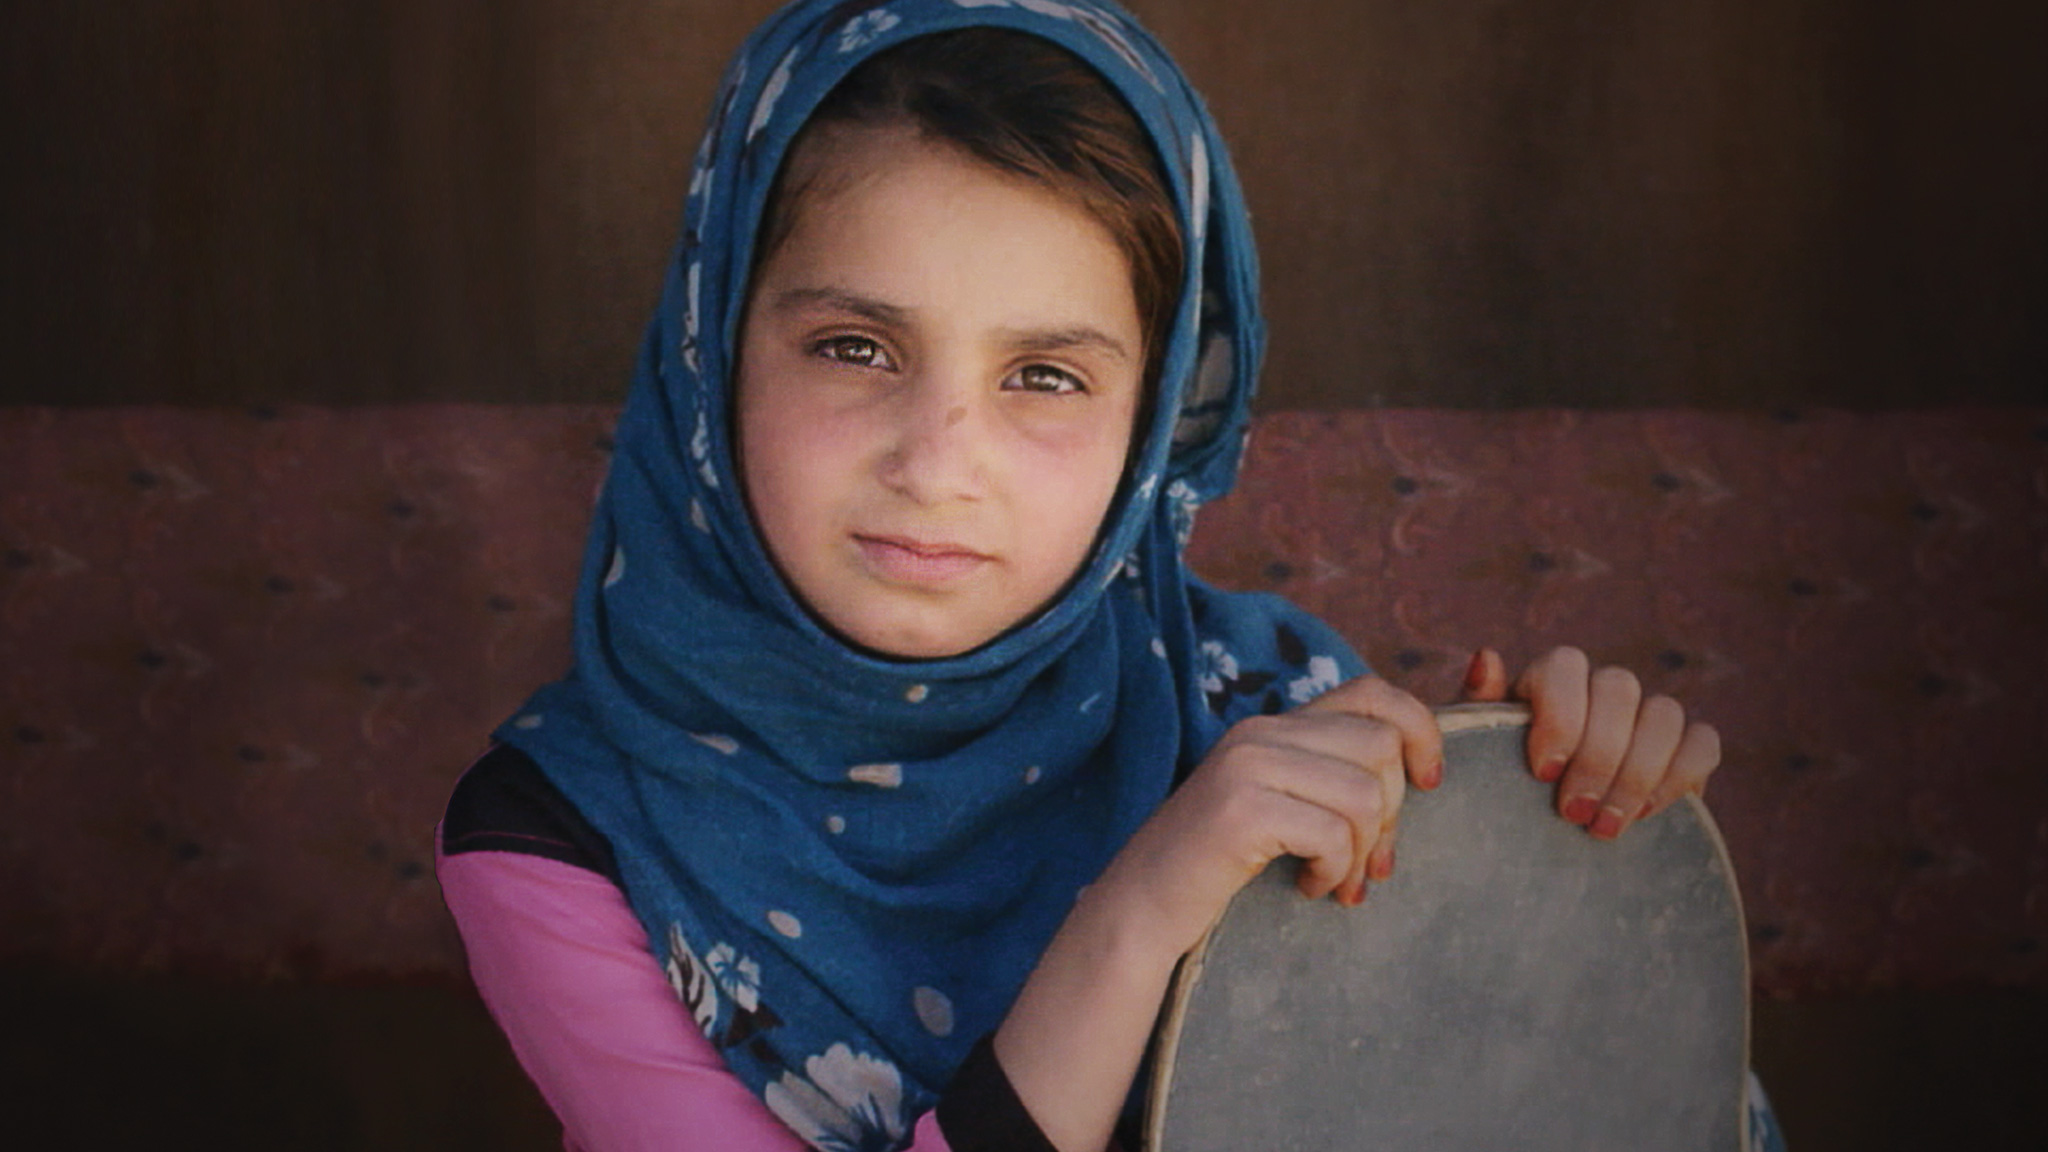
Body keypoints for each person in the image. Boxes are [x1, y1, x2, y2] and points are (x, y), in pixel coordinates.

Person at [436, 2, 1762, 1150]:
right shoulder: (558, 839)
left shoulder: (1275, 714)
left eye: (1046, 377)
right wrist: (1142, 908)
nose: (938, 462)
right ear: (705, 352)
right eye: (853, 347)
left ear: (1149, 435)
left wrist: (1559, 867)